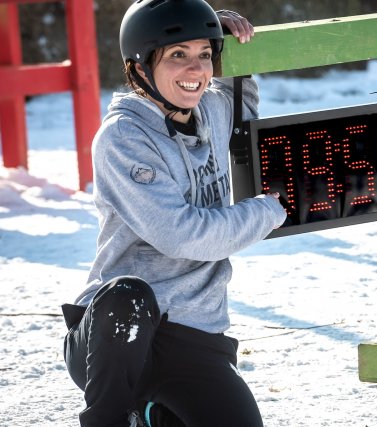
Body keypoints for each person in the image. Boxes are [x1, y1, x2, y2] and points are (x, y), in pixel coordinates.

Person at [60, 1, 286, 426]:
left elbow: (243, 106)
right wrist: (265, 212)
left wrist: (231, 43)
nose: (196, 69)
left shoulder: (212, 111)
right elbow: (182, 236)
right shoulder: (123, 137)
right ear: (141, 66)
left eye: (205, 54)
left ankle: (152, 415)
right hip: (116, 340)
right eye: (177, 55)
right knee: (130, 294)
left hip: (194, 334)